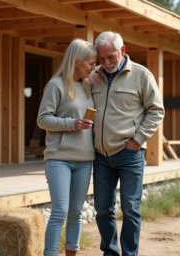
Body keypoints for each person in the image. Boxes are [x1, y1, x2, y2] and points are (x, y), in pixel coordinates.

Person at [88, 31, 165, 256]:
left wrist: (138, 140)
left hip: (129, 154)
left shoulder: (142, 75)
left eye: (111, 57)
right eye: (101, 59)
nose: (106, 63)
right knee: (102, 210)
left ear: (122, 51)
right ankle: (110, 253)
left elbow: (156, 111)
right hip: (101, 155)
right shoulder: (93, 77)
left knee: (131, 209)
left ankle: (129, 254)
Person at [37, 39, 97, 256]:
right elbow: (42, 120)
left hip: (85, 159)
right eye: (90, 63)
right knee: (60, 211)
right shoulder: (55, 85)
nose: (93, 67)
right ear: (77, 61)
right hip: (59, 157)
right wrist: (72, 124)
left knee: (76, 212)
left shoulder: (88, 86)